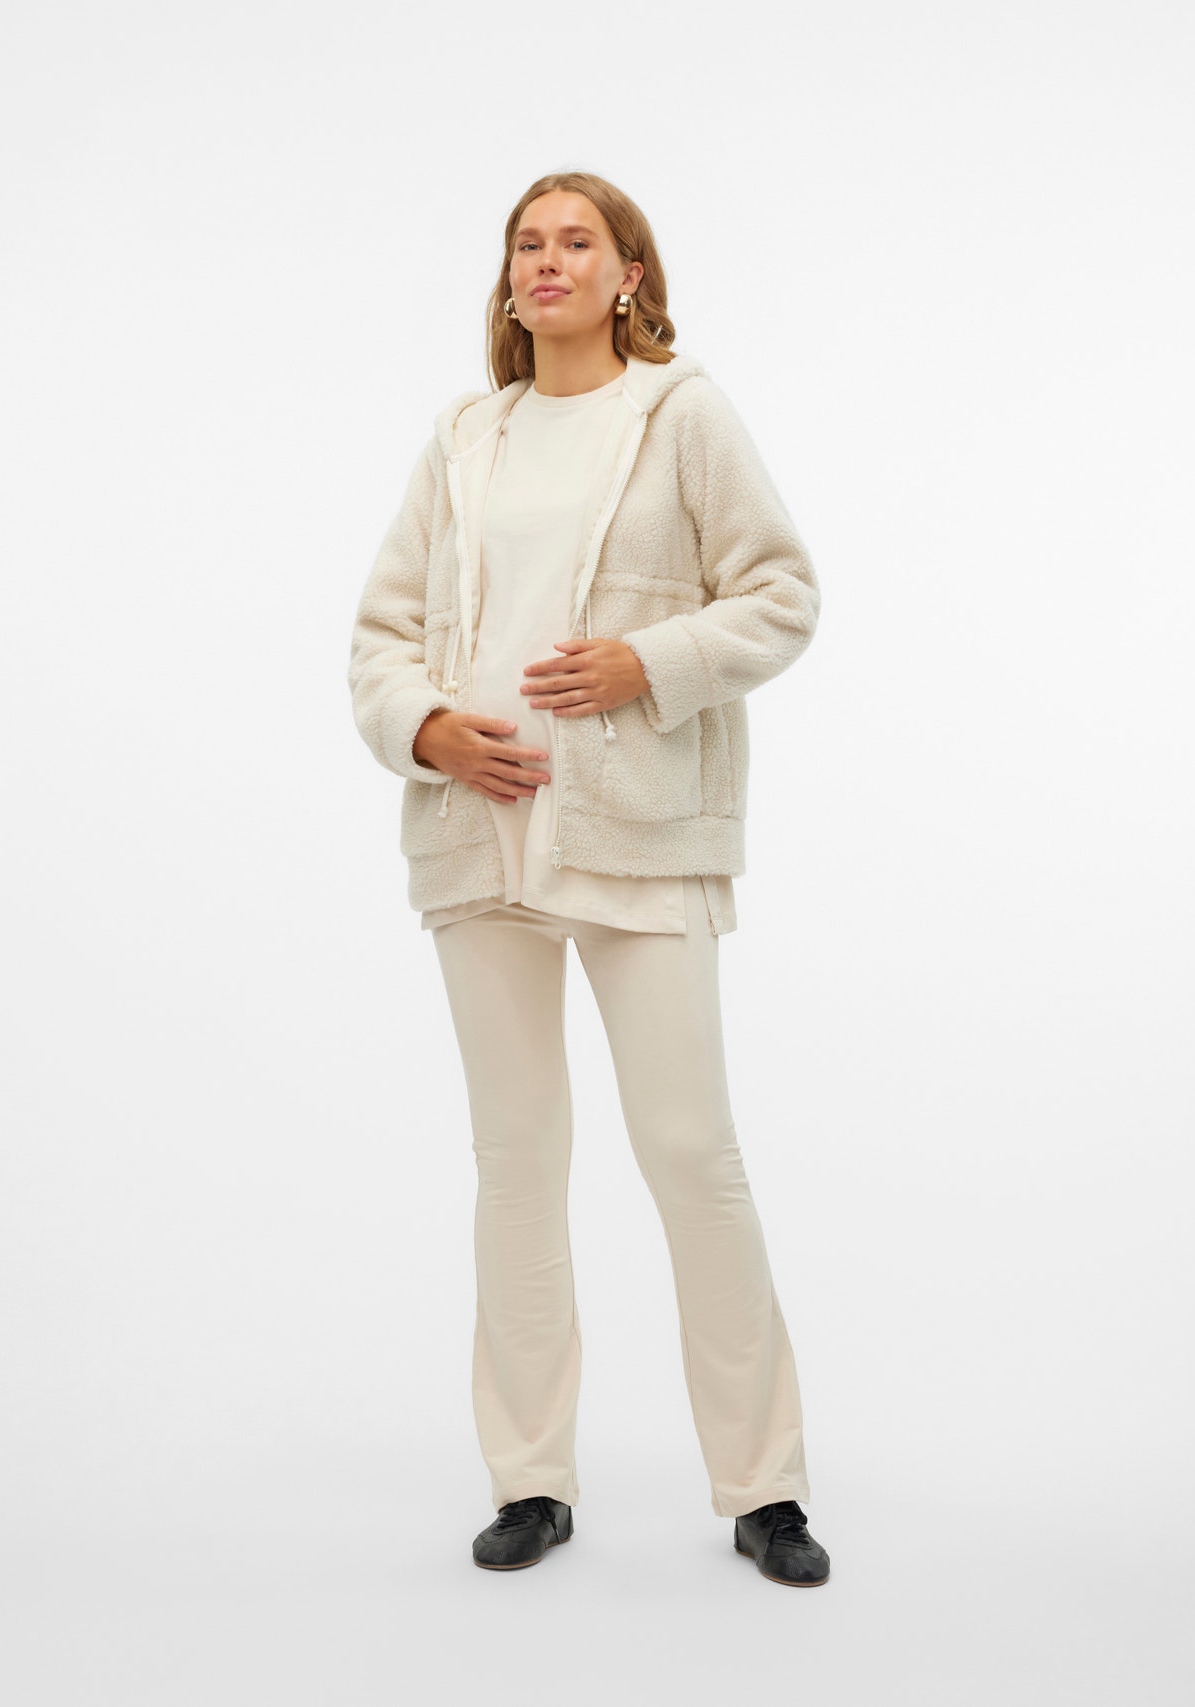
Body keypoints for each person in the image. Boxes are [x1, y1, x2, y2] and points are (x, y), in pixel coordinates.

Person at [347, 170, 830, 1587]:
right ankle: (530, 1480)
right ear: (508, 278)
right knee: (516, 1161)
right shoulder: (465, 436)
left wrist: (648, 662)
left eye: (577, 242)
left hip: (637, 832)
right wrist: (425, 729)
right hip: (477, 835)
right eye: (527, 243)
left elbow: (782, 594)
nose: (546, 261)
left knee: (689, 1151)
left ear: (631, 275)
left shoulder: (682, 416)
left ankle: (764, 1488)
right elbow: (380, 633)